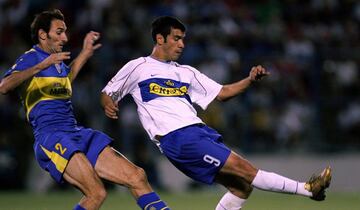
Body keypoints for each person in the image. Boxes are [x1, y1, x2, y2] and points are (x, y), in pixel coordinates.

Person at [101, 16, 332, 210]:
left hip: (199, 132)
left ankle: (306, 190)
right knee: (245, 169)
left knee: (241, 187)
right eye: (176, 38)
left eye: (183, 39)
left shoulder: (187, 73)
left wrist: (250, 80)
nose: (182, 45)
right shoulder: (138, 67)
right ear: (159, 39)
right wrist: (107, 103)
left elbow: (222, 93)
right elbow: (108, 91)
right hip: (177, 138)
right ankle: (307, 189)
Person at [0, 9, 170, 210]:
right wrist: (40, 65)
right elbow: (4, 85)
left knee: (137, 176)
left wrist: (85, 54)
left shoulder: (57, 62)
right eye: (59, 32)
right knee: (96, 193)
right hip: (51, 136)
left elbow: (66, 80)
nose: (64, 37)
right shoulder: (32, 58)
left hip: (75, 131)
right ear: (42, 35)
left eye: (65, 32)